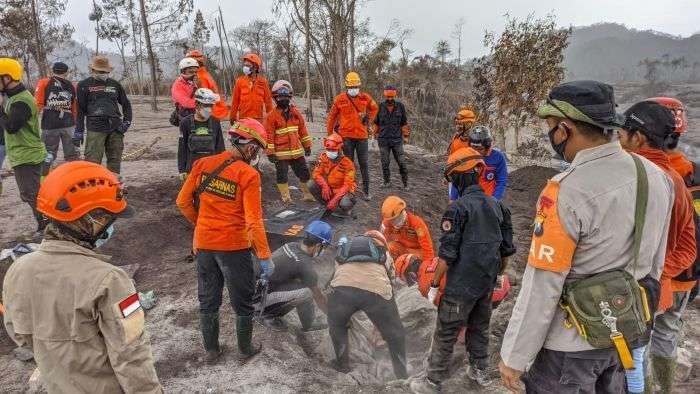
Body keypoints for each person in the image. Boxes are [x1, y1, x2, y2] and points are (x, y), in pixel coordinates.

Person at [498, 81, 674, 394]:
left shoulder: (566, 190)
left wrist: (515, 356)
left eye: (551, 127)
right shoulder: (656, 177)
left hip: (570, 349)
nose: (551, 135)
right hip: (624, 332)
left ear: (564, 129)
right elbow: (654, 264)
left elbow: (543, 283)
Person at [2, 161, 162, 393]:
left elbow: (18, 333)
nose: (110, 225)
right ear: (91, 220)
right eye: (109, 219)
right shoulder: (110, 280)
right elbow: (131, 356)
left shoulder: (18, 269)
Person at [410, 147, 515, 393]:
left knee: (446, 330)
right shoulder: (499, 207)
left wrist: (434, 285)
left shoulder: (456, 210)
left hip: (460, 285)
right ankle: (479, 372)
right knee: (480, 327)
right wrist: (495, 275)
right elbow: (506, 252)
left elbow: (447, 255)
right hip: (486, 282)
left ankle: (432, 381)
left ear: (456, 178)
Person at [176, 118, 273, 363]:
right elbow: (254, 221)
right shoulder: (249, 175)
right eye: (258, 149)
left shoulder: (202, 164)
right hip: (234, 248)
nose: (257, 154)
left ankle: (211, 351)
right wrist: (264, 256)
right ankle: (245, 349)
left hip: (204, 245)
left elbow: (182, 202)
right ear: (250, 147)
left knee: (208, 300)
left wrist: (202, 224)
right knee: (242, 301)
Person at [619, 100, 697, 393]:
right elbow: (689, 246)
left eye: (623, 133)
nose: (618, 139)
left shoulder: (636, 178)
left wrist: (652, 275)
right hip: (670, 286)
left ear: (638, 137)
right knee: (658, 341)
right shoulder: (680, 178)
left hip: (641, 291)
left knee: (634, 355)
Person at [327, 234, 407, 379]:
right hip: (376, 293)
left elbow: (334, 277)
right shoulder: (385, 254)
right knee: (396, 334)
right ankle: (401, 374)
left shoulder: (343, 251)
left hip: (342, 291)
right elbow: (391, 282)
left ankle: (342, 364)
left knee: (337, 326)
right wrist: (386, 320)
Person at [254, 220, 333, 331]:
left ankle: (308, 324)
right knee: (307, 292)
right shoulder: (304, 264)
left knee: (302, 285)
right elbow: (318, 297)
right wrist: (333, 316)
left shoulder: (291, 246)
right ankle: (265, 315)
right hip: (255, 301)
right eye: (324, 248)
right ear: (318, 245)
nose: (323, 251)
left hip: (251, 290)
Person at [0, 57, 48, 232]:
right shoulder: (15, 96)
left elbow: (12, 127)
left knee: (31, 193)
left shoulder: (21, 101)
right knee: (31, 192)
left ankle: (47, 225)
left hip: (27, 155)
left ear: (7, 78)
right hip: (24, 153)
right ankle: (46, 223)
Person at [326, 72, 378, 200]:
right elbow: (332, 116)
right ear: (347, 87)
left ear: (359, 86)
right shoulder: (339, 99)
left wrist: (369, 119)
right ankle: (350, 189)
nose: (353, 89)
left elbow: (375, 108)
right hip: (346, 137)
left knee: (364, 163)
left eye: (355, 86)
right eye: (351, 87)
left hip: (362, 137)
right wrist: (329, 134)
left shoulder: (365, 98)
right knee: (348, 164)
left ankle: (366, 191)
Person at [76, 56, 132, 174]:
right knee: (92, 162)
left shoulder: (115, 84)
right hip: (95, 128)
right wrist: (79, 131)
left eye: (105, 72)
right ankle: (92, 189)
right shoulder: (83, 85)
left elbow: (126, 104)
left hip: (116, 128)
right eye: (100, 71)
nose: (103, 73)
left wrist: (127, 122)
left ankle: (114, 189)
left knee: (115, 161)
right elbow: (80, 110)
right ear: (93, 71)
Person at [394, 254, 511, 309]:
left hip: (490, 297)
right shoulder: (435, 259)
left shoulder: (424, 286)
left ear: (411, 275)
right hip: (502, 283)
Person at [265, 79, 314, 203]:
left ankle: (308, 194)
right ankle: (286, 198)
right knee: (282, 176)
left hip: (296, 152)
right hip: (280, 154)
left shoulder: (296, 113)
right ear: (275, 98)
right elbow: (269, 136)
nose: (283, 99)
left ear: (289, 97)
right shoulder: (271, 116)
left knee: (304, 173)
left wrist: (307, 146)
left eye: (285, 97)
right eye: (280, 97)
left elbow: (303, 130)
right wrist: (270, 152)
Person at [34, 61, 79, 175]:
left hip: (50, 124)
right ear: (66, 72)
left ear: (52, 71)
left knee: (48, 153)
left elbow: (38, 104)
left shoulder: (44, 82)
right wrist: (75, 122)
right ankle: (73, 177)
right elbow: (74, 107)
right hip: (68, 124)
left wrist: (32, 120)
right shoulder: (71, 85)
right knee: (72, 154)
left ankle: (44, 177)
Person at [177, 88, 225, 180]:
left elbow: (220, 147)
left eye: (211, 106)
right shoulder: (185, 123)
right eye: (206, 105)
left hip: (212, 171)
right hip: (192, 171)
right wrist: (182, 170)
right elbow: (182, 148)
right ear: (197, 105)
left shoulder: (215, 122)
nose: (209, 109)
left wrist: (222, 168)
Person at [308, 134, 357, 216]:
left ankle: (343, 209)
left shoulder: (348, 163)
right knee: (311, 184)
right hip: (330, 188)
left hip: (343, 191)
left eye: (333, 150)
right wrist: (324, 186)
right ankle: (326, 205)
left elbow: (347, 185)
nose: (330, 152)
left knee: (345, 203)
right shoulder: (323, 157)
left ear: (340, 149)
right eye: (328, 149)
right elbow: (316, 173)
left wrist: (334, 200)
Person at [374, 85, 410, 189]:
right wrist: (374, 135)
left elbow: (404, 122)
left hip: (397, 140)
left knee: (402, 162)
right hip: (383, 140)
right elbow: (376, 123)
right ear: (385, 96)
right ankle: (387, 182)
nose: (389, 99)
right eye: (388, 97)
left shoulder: (400, 106)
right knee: (385, 163)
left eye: (391, 97)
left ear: (394, 96)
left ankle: (405, 183)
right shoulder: (380, 106)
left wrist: (406, 136)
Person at [380, 195, 434, 262]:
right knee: (389, 248)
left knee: (414, 261)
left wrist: (428, 266)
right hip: (401, 248)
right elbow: (382, 241)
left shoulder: (417, 224)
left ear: (402, 212)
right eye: (391, 220)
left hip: (416, 252)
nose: (393, 222)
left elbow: (426, 246)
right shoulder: (387, 222)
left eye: (395, 219)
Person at [230, 53, 273, 123]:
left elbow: (268, 102)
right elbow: (235, 101)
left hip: (258, 120)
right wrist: (232, 116)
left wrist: (271, 118)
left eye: (248, 65)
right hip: (243, 119)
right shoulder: (239, 81)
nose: (245, 67)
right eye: (245, 65)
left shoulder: (263, 82)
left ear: (255, 67)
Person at [186, 49, 229, 120]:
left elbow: (203, 99)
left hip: (209, 111)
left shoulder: (200, 77)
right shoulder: (204, 74)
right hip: (214, 109)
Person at [467, 125, 507, 200]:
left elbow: (501, 181)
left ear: (487, 147)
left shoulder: (498, 157)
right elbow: (457, 181)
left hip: (488, 200)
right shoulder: (465, 156)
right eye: (473, 148)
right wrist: (453, 199)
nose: (475, 152)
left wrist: (495, 200)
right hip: (467, 199)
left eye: (479, 149)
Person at [447, 107, 477, 202]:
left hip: (470, 179)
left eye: (461, 124)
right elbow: (451, 157)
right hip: (456, 176)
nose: (458, 127)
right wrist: (447, 174)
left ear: (469, 124)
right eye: (457, 124)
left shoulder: (476, 141)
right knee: (453, 204)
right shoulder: (456, 138)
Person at [171, 57, 200, 122]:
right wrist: (202, 104)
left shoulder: (192, 83)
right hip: (185, 116)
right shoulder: (178, 85)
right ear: (183, 71)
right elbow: (186, 103)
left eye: (195, 72)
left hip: (195, 113)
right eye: (191, 72)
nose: (194, 74)